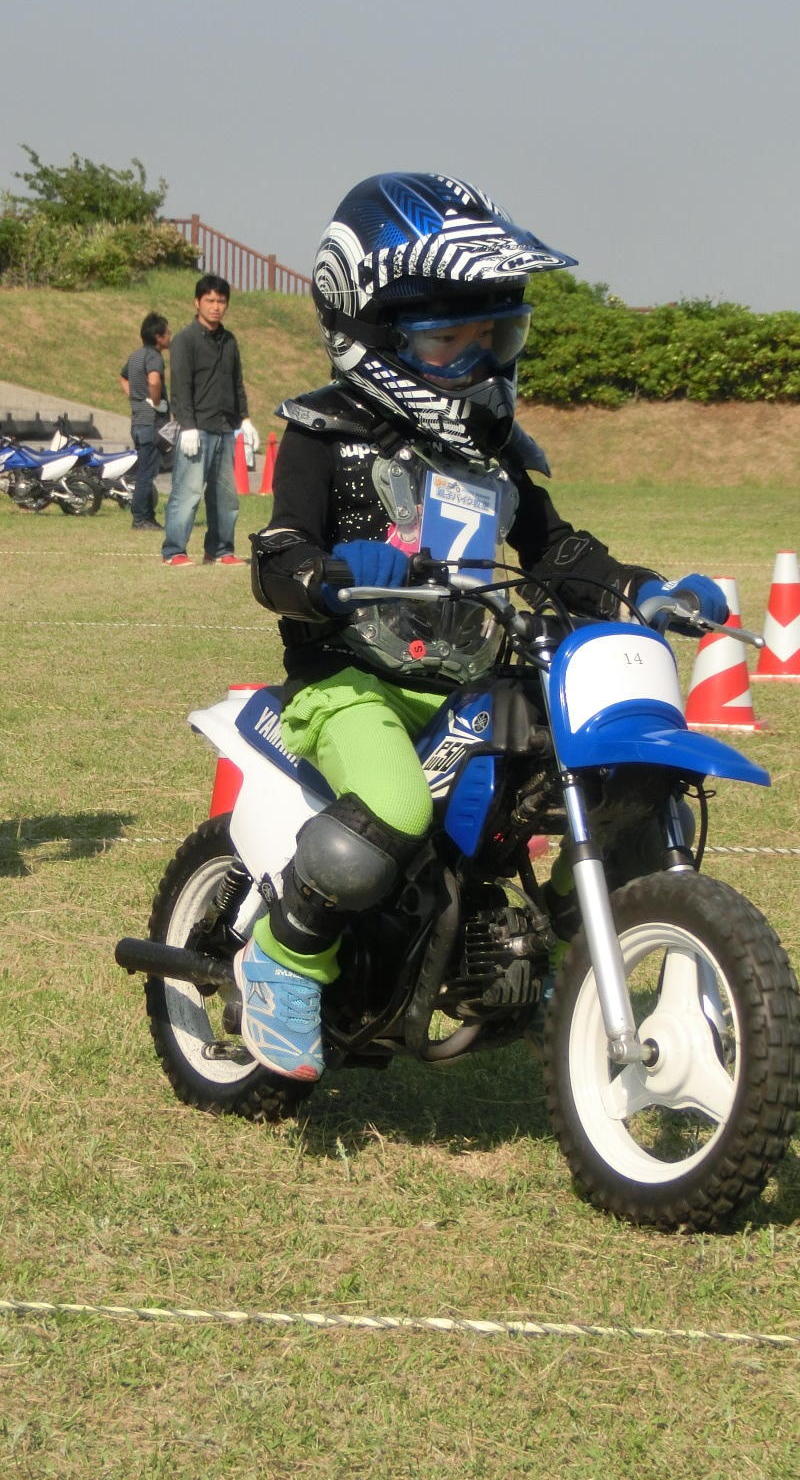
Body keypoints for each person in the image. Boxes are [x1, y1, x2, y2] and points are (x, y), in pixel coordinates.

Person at [240, 172, 729, 1080]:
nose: (478, 363)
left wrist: (644, 590)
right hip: (349, 684)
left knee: (581, 773)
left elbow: (558, 549)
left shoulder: (495, 447)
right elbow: (276, 553)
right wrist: (332, 573)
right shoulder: (322, 431)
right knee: (391, 806)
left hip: (472, 678)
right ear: (374, 333)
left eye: (494, 337)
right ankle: (285, 957)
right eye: (447, 341)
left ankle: (553, 959)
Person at [160, 273, 259, 567]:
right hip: (196, 429)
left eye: (221, 301)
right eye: (210, 300)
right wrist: (187, 425)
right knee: (187, 493)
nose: (216, 306)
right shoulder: (184, 341)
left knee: (226, 498)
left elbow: (237, 383)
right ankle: (174, 550)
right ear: (197, 302)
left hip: (226, 428)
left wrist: (245, 419)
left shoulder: (229, 341)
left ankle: (219, 549)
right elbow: (180, 388)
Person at [119, 311, 171, 530]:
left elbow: (123, 377)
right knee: (146, 473)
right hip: (151, 422)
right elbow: (154, 379)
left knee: (144, 470)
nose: (170, 336)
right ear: (158, 337)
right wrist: (156, 400)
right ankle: (141, 518)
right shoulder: (154, 357)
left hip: (138, 421)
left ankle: (146, 516)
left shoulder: (135, 356)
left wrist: (135, 397)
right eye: (167, 332)